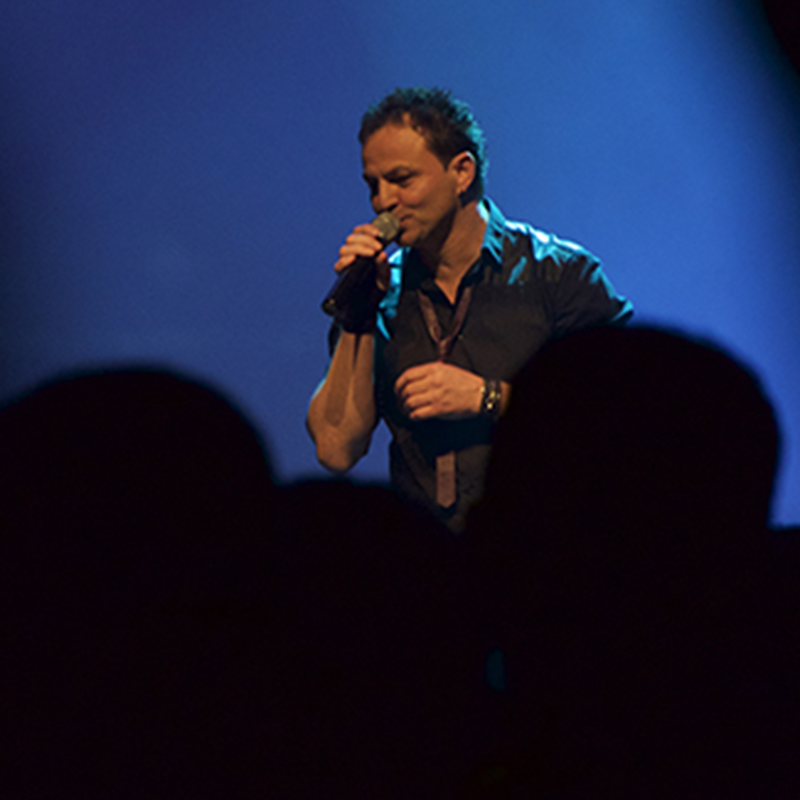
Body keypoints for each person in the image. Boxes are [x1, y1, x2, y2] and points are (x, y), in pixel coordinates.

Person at [306, 86, 633, 531]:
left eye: (402, 180)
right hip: (430, 556)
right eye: (373, 185)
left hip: (547, 545)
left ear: (461, 172)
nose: (382, 201)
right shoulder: (381, 291)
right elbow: (335, 449)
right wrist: (358, 313)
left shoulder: (558, 274)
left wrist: (488, 397)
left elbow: (622, 412)